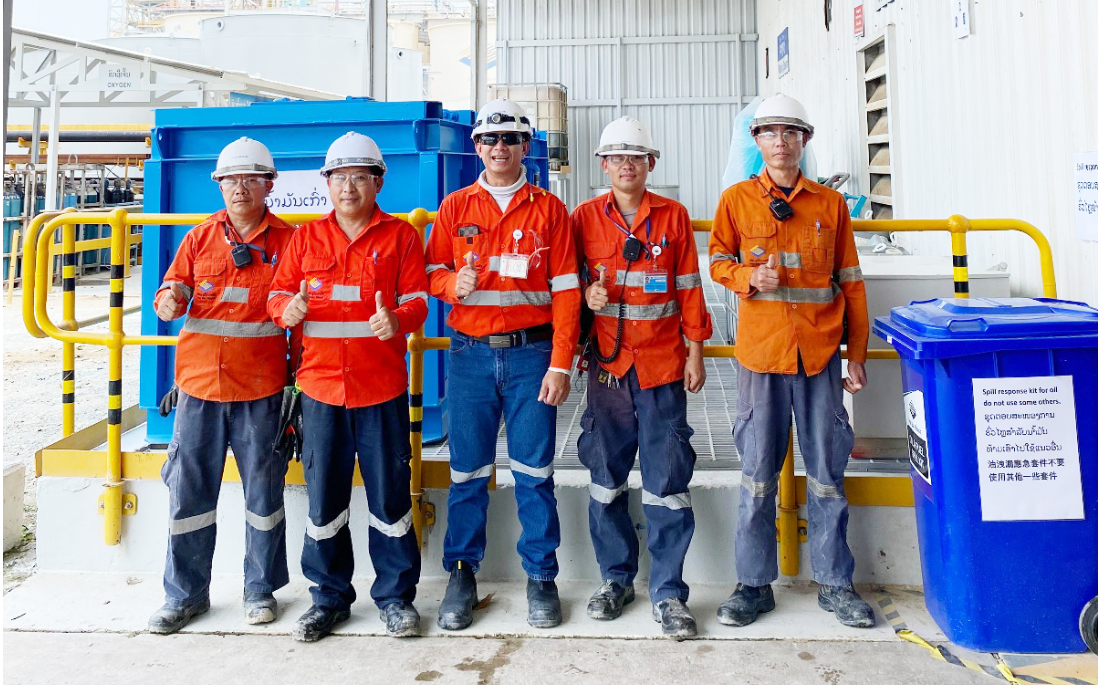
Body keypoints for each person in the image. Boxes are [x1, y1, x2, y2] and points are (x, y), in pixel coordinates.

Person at [708, 93, 875, 628]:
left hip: (820, 357)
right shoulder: (736, 200)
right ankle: (753, 586)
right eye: (769, 132)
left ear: (805, 140)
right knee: (757, 476)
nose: (780, 142)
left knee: (827, 475)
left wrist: (857, 354)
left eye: (790, 132)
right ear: (756, 141)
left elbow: (851, 283)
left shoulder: (829, 205)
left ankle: (835, 583)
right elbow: (717, 260)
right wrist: (746, 277)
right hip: (762, 357)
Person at [424, 98, 581, 631]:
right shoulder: (455, 208)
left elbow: (567, 291)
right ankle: (461, 574)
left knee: (535, 473)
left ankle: (541, 576)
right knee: (467, 472)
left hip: (533, 356)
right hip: (470, 357)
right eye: (489, 139)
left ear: (525, 146)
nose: (499, 148)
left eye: (510, 139)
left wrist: (561, 364)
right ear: (476, 147)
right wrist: (453, 284)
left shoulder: (549, 210)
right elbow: (432, 272)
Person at [268, 132, 429, 641]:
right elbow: (276, 294)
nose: (348, 187)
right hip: (320, 390)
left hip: (381, 389)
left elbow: (420, 300)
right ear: (327, 183)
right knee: (324, 501)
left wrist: (398, 319)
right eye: (339, 177)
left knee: (390, 500)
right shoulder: (306, 239)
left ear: (378, 182)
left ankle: (396, 598)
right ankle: (329, 598)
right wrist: (286, 308)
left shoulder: (401, 237)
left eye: (359, 177)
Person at [571, 117, 712, 639]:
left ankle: (669, 593)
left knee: (667, 483)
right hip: (608, 373)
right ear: (603, 165)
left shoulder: (673, 218)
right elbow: (565, 287)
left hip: (662, 369)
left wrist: (696, 354)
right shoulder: (583, 218)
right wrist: (586, 297)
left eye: (636, 157)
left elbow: (691, 290)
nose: (626, 165)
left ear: (650, 163)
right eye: (617, 157)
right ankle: (615, 580)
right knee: (605, 480)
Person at [149, 137, 295, 634]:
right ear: (219, 185)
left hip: (261, 388)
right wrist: (168, 299)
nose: (240, 188)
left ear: (269, 185)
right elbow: (173, 288)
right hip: (199, 388)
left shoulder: (290, 242)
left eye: (251, 178)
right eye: (231, 179)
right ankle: (184, 595)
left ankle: (261, 590)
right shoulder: (198, 238)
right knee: (188, 496)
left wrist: (296, 388)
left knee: (263, 494)